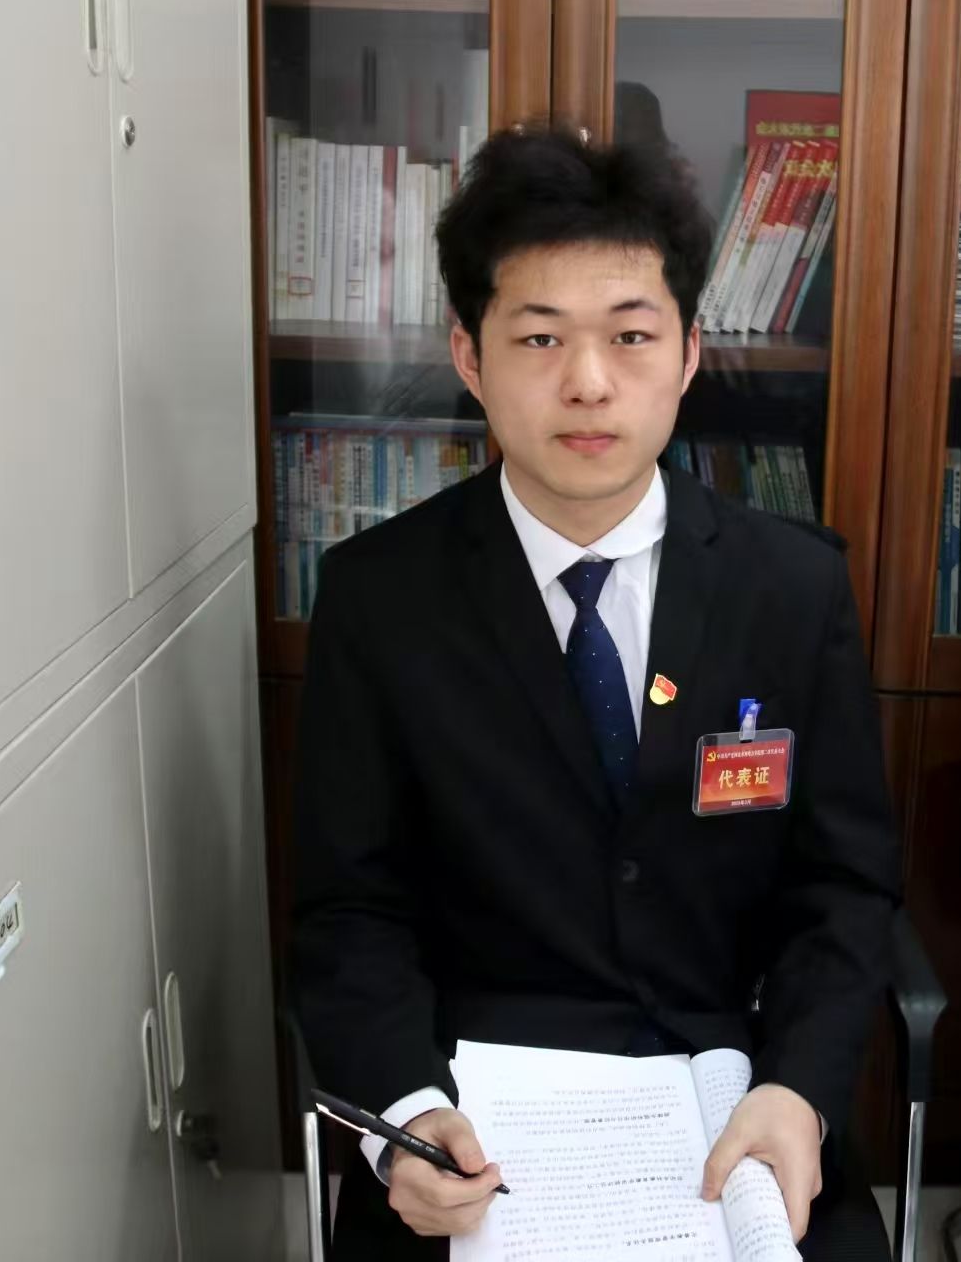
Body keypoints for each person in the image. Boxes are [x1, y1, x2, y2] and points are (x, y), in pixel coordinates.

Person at [291, 124, 900, 1260]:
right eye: (539, 337)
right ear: (470, 356)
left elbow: (844, 888)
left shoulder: (792, 586)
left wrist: (802, 1090)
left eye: (630, 335)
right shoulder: (380, 597)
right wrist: (406, 1116)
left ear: (688, 352)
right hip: (473, 1116)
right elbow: (349, 911)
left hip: (726, 1091)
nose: (587, 381)